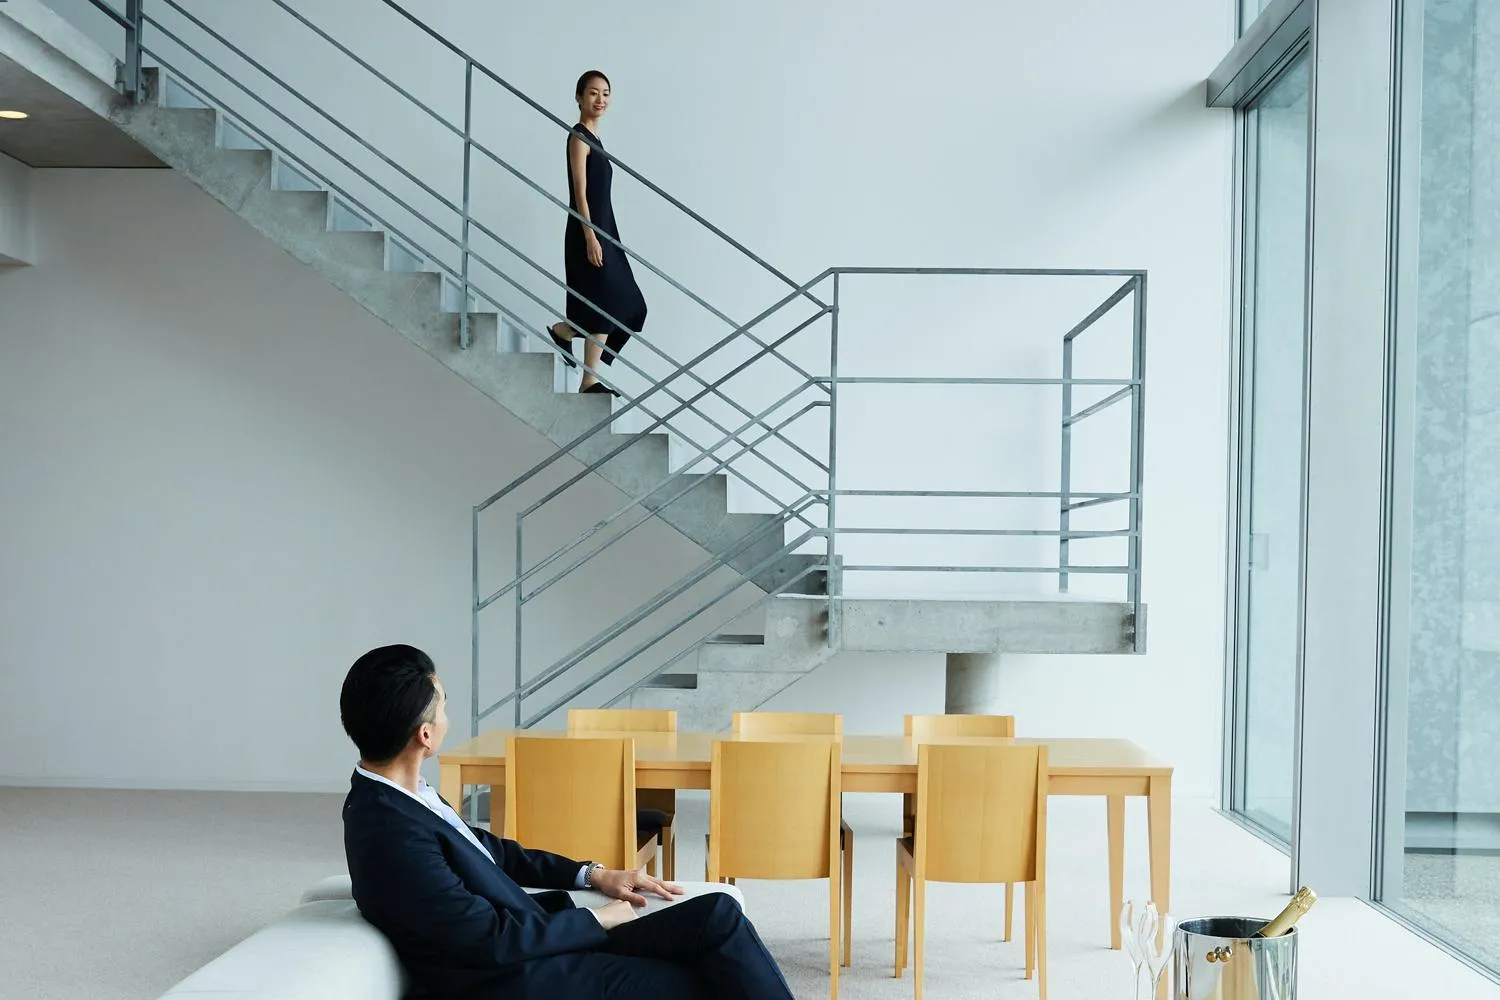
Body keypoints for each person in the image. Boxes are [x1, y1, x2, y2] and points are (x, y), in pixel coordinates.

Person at [338, 644, 794, 1000]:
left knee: (718, 915)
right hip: (521, 978)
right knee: (712, 981)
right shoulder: (388, 831)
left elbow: (489, 852)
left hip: (542, 940)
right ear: (425, 735)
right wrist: (599, 919)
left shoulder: (405, 796)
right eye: (443, 707)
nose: (446, 717)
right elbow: (486, 938)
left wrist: (594, 874)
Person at [546, 70, 647, 397]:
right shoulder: (578, 137)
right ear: (579, 97)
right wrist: (590, 235)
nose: (600, 99)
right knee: (606, 303)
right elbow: (580, 192)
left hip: (605, 230)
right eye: (593, 93)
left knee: (627, 303)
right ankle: (589, 380)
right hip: (587, 230)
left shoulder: (596, 139)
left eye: (605, 93)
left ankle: (563, 331)